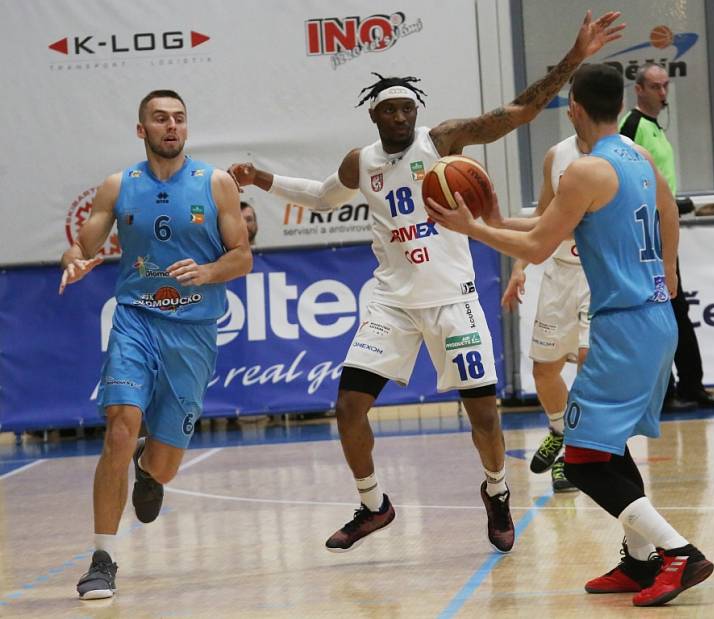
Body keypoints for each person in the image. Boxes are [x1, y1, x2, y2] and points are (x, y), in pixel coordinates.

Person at [229, 11, 624, 554]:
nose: (399, 117)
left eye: (406, 109)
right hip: (391, 301)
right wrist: (261, 179)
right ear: (374, 113)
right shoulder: (361, 162)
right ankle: (373, 505)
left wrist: (574, 58)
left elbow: (517, 112)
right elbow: (321, 196)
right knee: (347, 408)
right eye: (389, 109)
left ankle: (497, 490)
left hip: (452, 300)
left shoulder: (440, 143)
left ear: (416, 112)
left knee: (483, 415)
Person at [425, 64, 713, 607]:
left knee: (581, 459)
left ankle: (678, 553)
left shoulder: (584, 170)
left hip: (625, 325)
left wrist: (473, 230)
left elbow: (535, 250)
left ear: (575, 107)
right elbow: (666, 211)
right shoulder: (638, 156)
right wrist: (669, 278)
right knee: (608, 444)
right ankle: (637, 560)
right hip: (655, 317)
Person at [60, 90, 252, 599]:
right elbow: (83, 244)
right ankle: (102, 558)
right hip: (136, 320)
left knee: (163, 464)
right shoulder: (118, 186)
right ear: (141, 129)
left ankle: (150, 468)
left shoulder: (216, 184)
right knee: (120, 427)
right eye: (160, 119)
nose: (172, 126)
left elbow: (242, 257)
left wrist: (209, 270)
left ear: (187, 128)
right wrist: (73, 259)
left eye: (179, 119)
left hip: (192, 331)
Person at [619, 63, 714, 412]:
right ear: (639, 89)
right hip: (646, 234)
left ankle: (689, 385)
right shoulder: (632, 127)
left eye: (666, 87)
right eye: (656, 87)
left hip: (664, 230)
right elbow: (624, 178)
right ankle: (667, 392)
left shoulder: (655, 128)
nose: (663, 94)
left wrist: (674, 205)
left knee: (675, 310)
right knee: (664, 311)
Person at [501, 134, 592, 494]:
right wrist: (519, 266)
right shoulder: (557, 154)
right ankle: (559, 430)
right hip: (560, 273)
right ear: (573, 110)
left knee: (589, 361)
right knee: (544, 370)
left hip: (598, 274)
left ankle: (573, 454)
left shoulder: (621, 152)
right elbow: (542, 219)